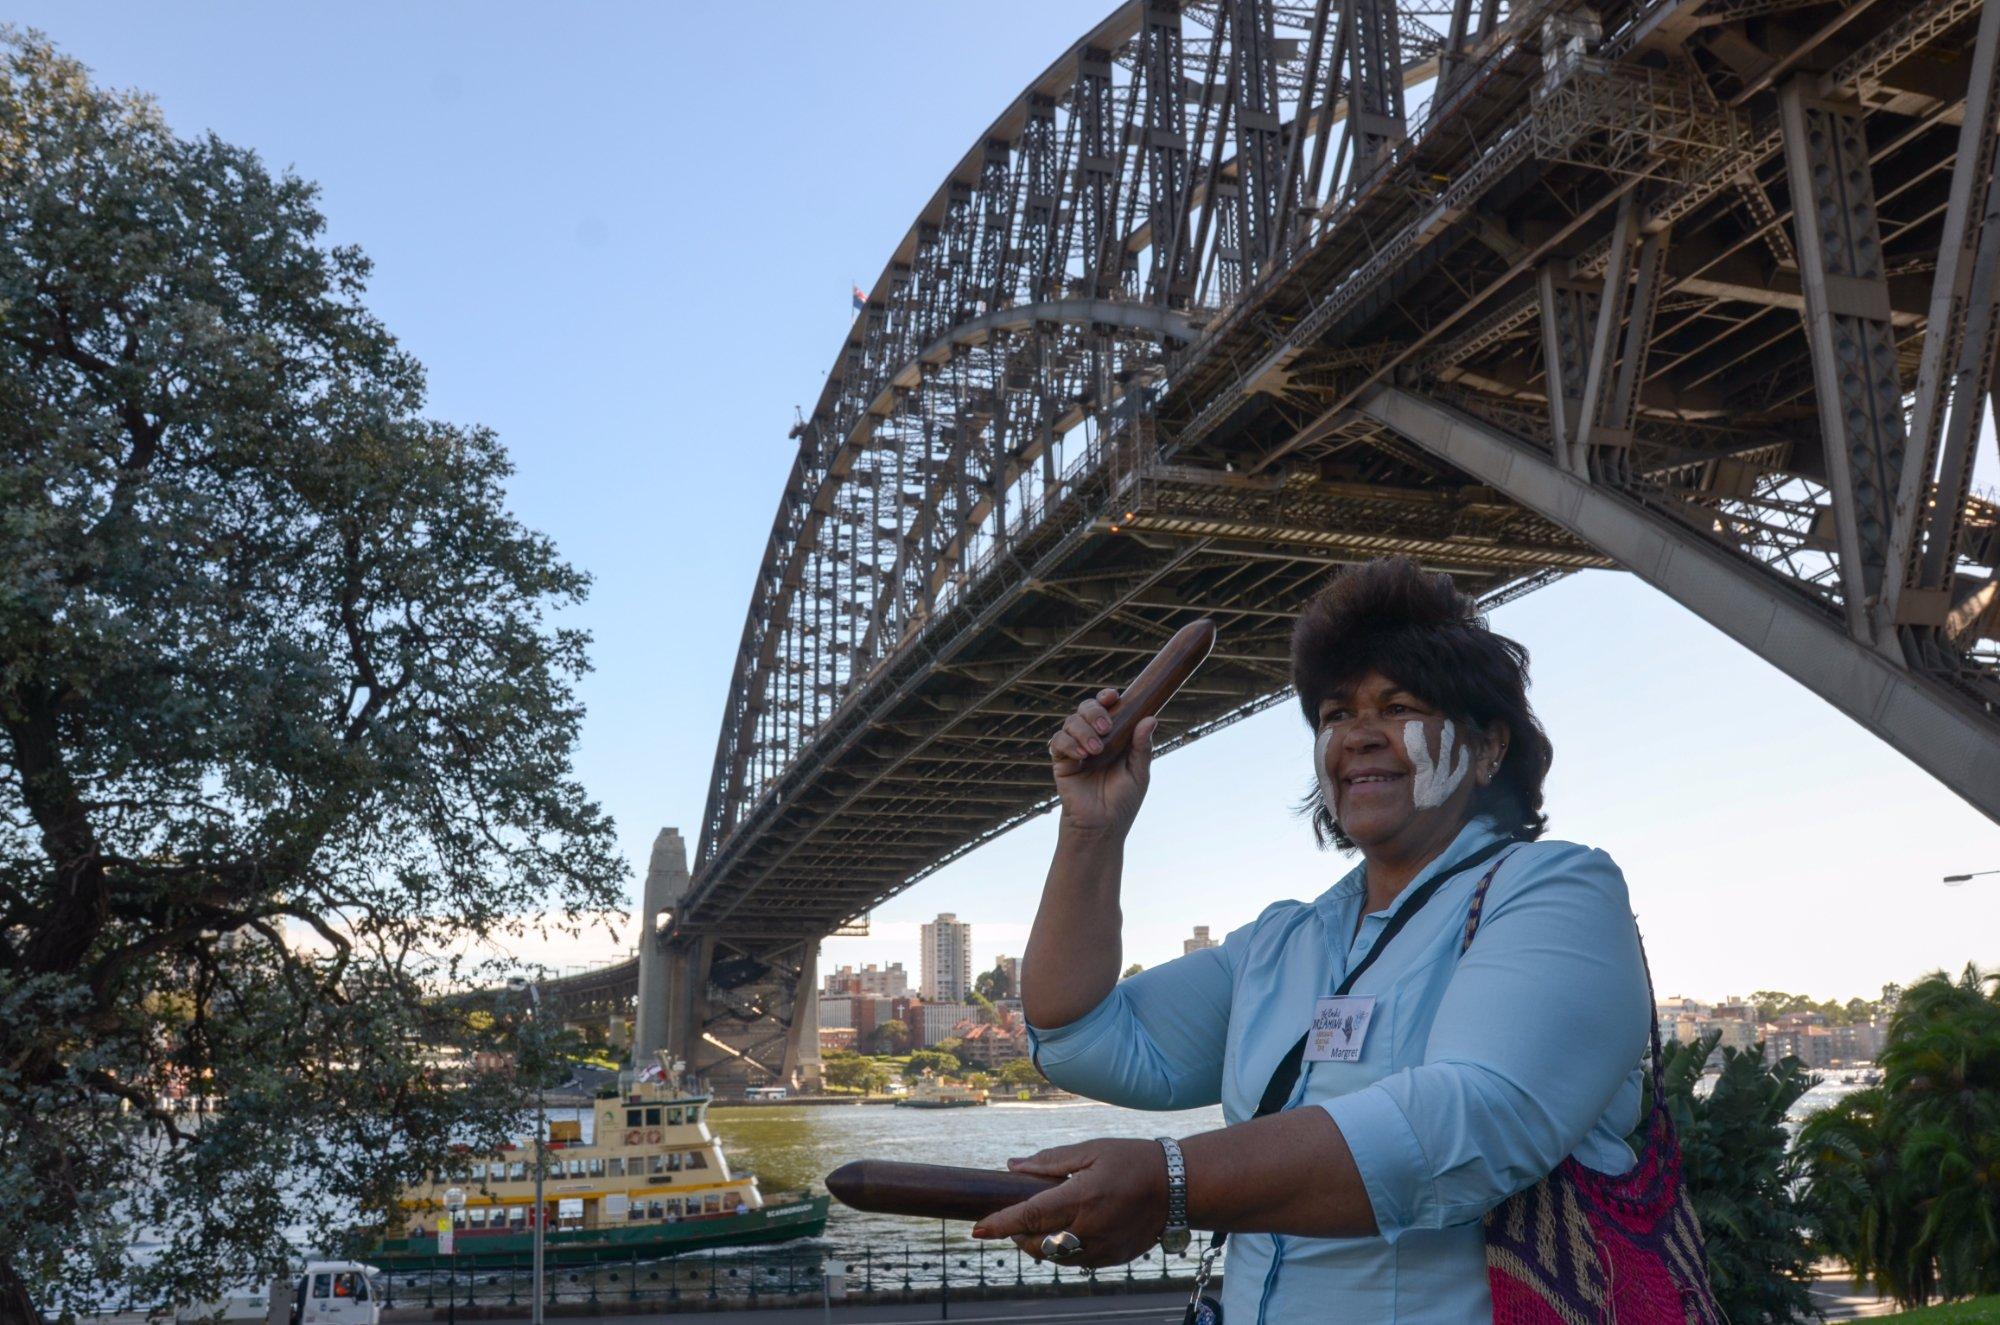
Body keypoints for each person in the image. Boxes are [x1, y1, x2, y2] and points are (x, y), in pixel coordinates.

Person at [974, 557, 1650, 1323]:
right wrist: (1091, 827)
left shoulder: (1555, 891)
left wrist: (1172, 1179)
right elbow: (1077, 1034)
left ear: (1490, 746)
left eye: (1397, 706)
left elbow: (1474, 1119)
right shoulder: (1282, 943)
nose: (1357, 737)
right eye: (1334, 715)